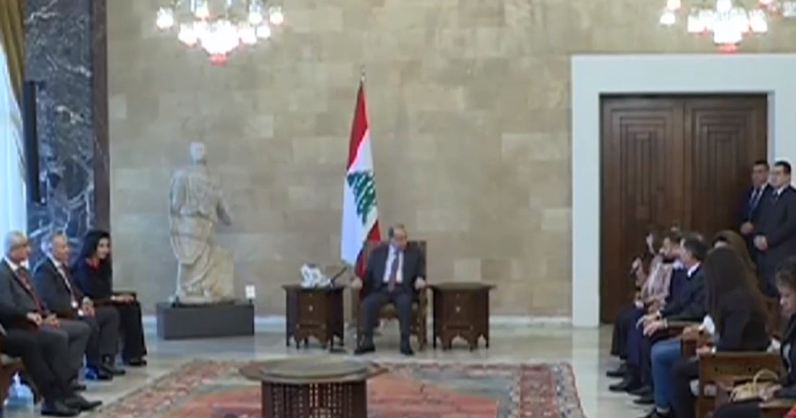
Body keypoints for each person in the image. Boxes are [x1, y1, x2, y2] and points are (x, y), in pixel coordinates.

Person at [0, 232, 102, 415]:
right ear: (12, 250)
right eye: (24, 247)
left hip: (36, 321)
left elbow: (37, 301)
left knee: (66, 333)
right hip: (18, 326)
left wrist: (46, 315)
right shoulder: (3, 274)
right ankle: (57, 395)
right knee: (56, 338)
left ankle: (67, 393)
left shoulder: (24, 271)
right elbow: (6, 307)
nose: (29, 251)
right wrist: (28, 316)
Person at [667, 247, 771, 418]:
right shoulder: (740, 295)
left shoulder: (738, 302)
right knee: (681, 368)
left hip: (741, 361)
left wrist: (712, 352)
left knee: (678, 372)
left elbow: (733, 341)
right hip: (738, 356)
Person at [34, 231, 126, 380]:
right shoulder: (43, 271)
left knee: (110, 314)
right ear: (50, 249)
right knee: (90, 322)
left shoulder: (63, 268)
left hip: (75, 309)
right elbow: (51, 299)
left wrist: (85, 300)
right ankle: (92, 366)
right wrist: (77, 308)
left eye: (67, 246)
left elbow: (74, 289)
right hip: (64, 313)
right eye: (63, 247)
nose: (68, 250)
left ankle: (106, 359)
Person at [713, 255, 796, 418]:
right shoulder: (793, 322)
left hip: (789, 402)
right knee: (726, 407)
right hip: (786, 393)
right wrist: (774, 386)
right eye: (781, 296)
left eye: (787, 296)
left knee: (726, 414)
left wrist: (780, 392)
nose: (781, 302)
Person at [72, 230, 148, 366]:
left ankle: (134, 353)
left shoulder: (103, 265)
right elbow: (92, 292)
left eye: (107, 246)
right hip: (90, 303)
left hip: (104, 299)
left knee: (133, 305)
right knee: (121, 310)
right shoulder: (83, 266)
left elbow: (105, 290)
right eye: (101, 246)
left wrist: (117, 297)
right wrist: (114, 299)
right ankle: (110, 356)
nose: (105, 250)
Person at [352, 224, 426, 356]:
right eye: (399, 238)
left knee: (405, 303)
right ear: (391, 239)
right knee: (368, 303)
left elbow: (420, 272)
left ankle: (405, 342)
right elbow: (368, 273)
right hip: (381, 288)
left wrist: (420, 279)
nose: (402, 242)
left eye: (404, 238)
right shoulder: (378, 253)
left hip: (402, 289)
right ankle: (367, 342)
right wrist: (360, 280)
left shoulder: (415, 254)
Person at [754, 160, 796, 296]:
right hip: (764, 255)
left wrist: (769, 240)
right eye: (772, 174)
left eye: (778, 174)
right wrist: (758, 237)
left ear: (788, 176)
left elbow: (790, 224)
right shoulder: (768, 196)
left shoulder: (792, 196)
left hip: (782, 253)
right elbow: (760, 219)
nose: (773, 177)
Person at [738, 160, 772, 258]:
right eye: (754, 172)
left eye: (760, 172)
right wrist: (741, 226)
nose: (755, 175)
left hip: (761, 240)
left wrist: (754, 227)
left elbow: (770, 217)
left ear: (767, 174)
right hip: (745, 241)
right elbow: (739, 213)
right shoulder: (747, 192)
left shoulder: (772, 193)